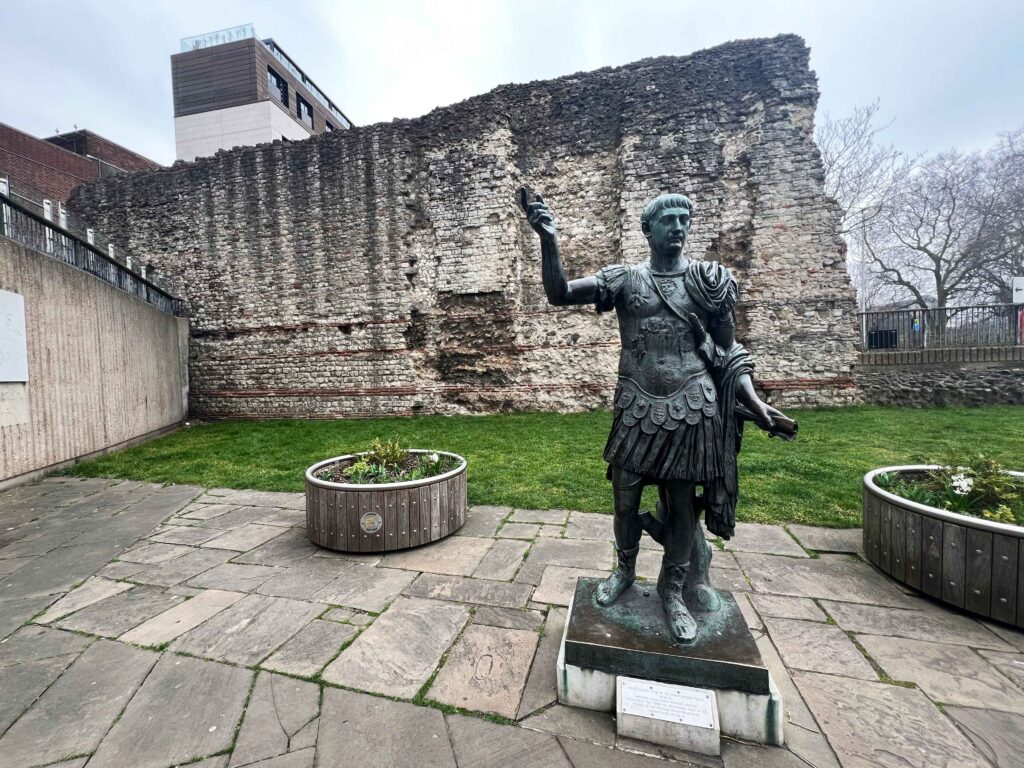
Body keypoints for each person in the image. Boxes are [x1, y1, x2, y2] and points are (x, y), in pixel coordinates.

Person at [522, 189, 790, 643]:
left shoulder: (709, 281)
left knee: (682, 502)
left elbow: (728, 351)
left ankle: (672, 590)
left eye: (685, 219)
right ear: (648, 229)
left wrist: (755, 401)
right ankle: (624, 571)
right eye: (668, 219)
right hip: (637, 403)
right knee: (625, 500)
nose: (679, 227)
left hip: (693, 404)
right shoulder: (626, 279)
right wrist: (549, 239)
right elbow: (560, 293)